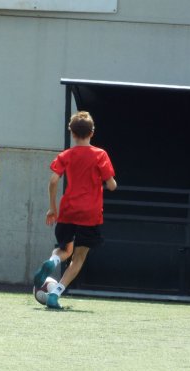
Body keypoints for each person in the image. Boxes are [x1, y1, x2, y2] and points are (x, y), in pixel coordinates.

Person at [33, 111, 117, 309]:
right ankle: (56, 294)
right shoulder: (100, 154)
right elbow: (111, 184)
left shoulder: (66, 155)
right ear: (92, 132)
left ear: (71, 133)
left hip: (69, 209)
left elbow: (53, 180)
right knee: (78, 257)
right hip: (91, 213)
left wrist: (52, 208)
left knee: (64, 249)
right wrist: (106, 184)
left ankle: (52, 261)